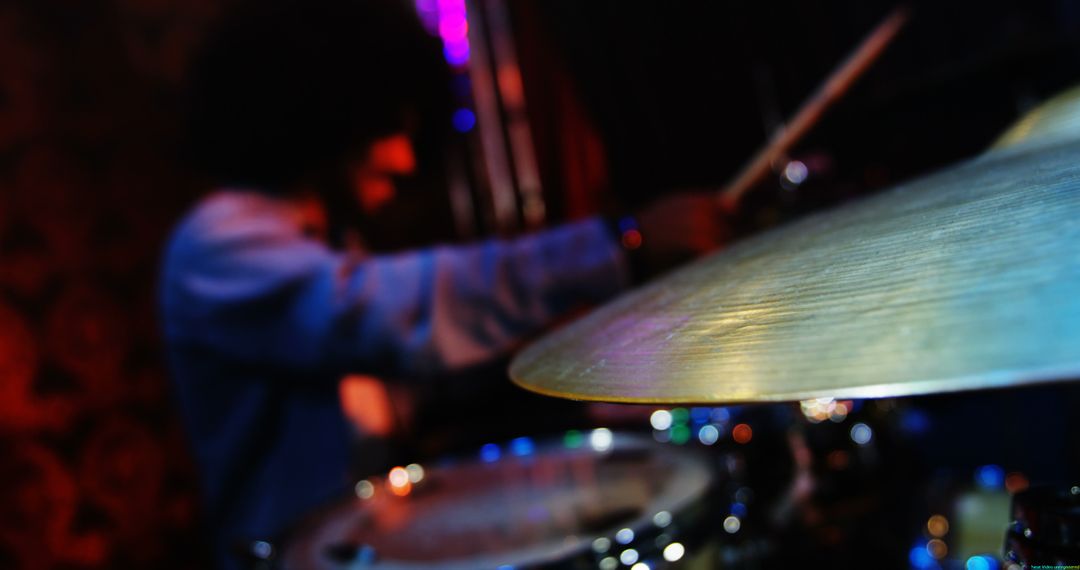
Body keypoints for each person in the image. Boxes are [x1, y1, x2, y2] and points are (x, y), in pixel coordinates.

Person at [159, 0, 724, 568]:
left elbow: (403, 388)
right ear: (322, 113)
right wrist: (616, 245)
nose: (406, 160)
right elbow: (391, 315)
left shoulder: (324, 238)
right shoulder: (217, 242)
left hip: (367, 539)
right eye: (389, 127)